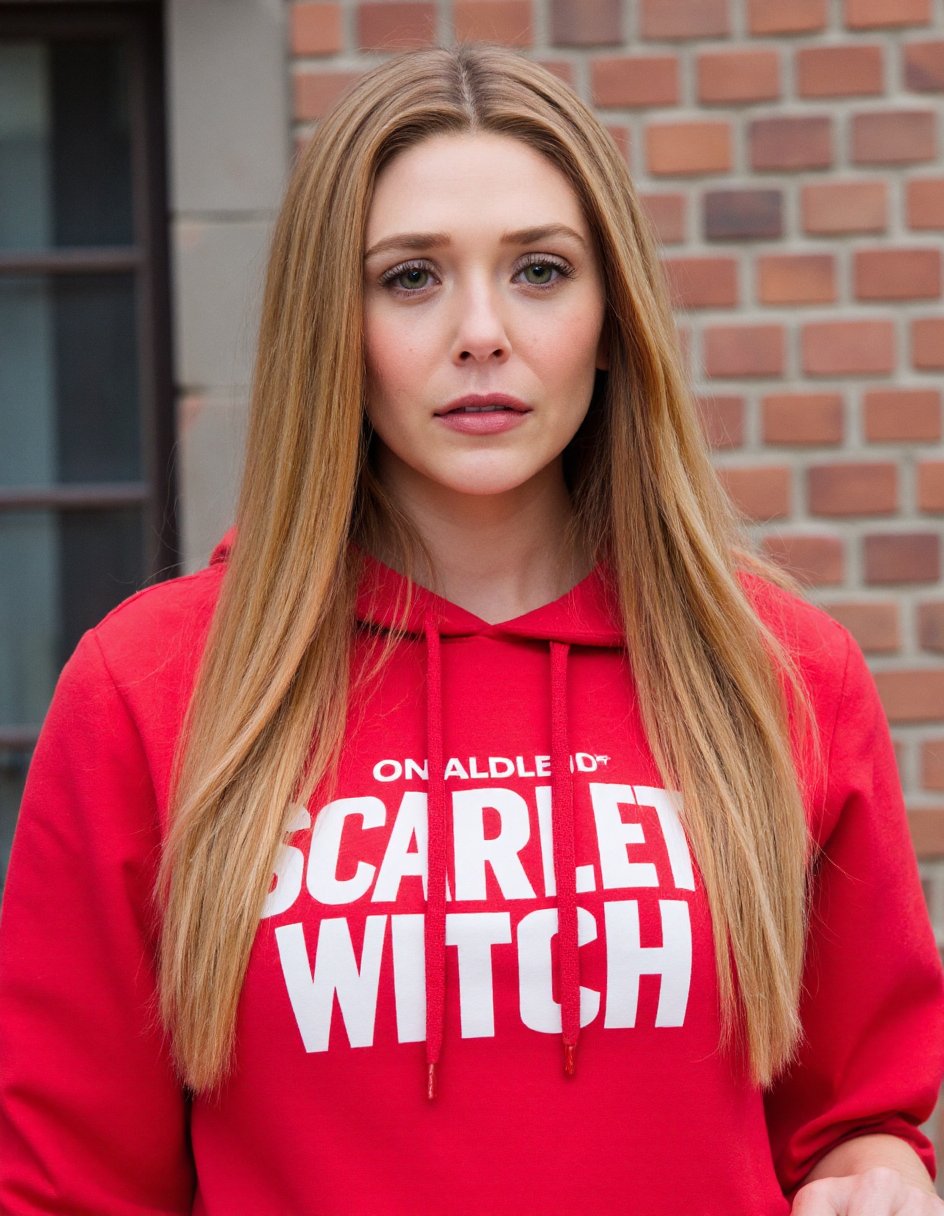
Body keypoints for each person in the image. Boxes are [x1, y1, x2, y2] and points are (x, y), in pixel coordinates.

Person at [0, 43, 942, 1216]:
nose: (481, 331)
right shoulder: (153, 688)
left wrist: (876, 1176)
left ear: (610, 321)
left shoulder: (778, 675)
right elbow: (69, 1186)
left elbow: (853, 1123)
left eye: (540, 270)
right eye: (409, 278)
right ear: (328, 328)